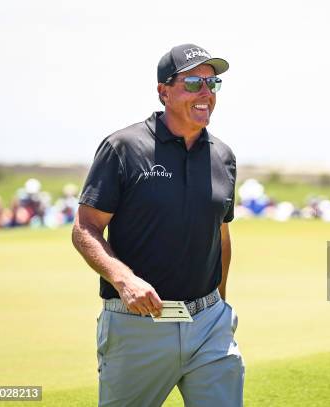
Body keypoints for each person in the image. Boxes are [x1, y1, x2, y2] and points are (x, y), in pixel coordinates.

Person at [72, 43, 243, 406]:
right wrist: (124, 279)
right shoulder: (123, 147)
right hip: (139, 325)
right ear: (164, 90)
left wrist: (221, 306)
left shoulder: (223, 156)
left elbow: (220, 235)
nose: (205, 93)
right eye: (194, 82)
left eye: (213, 85)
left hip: (211, 325)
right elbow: (85, 227)